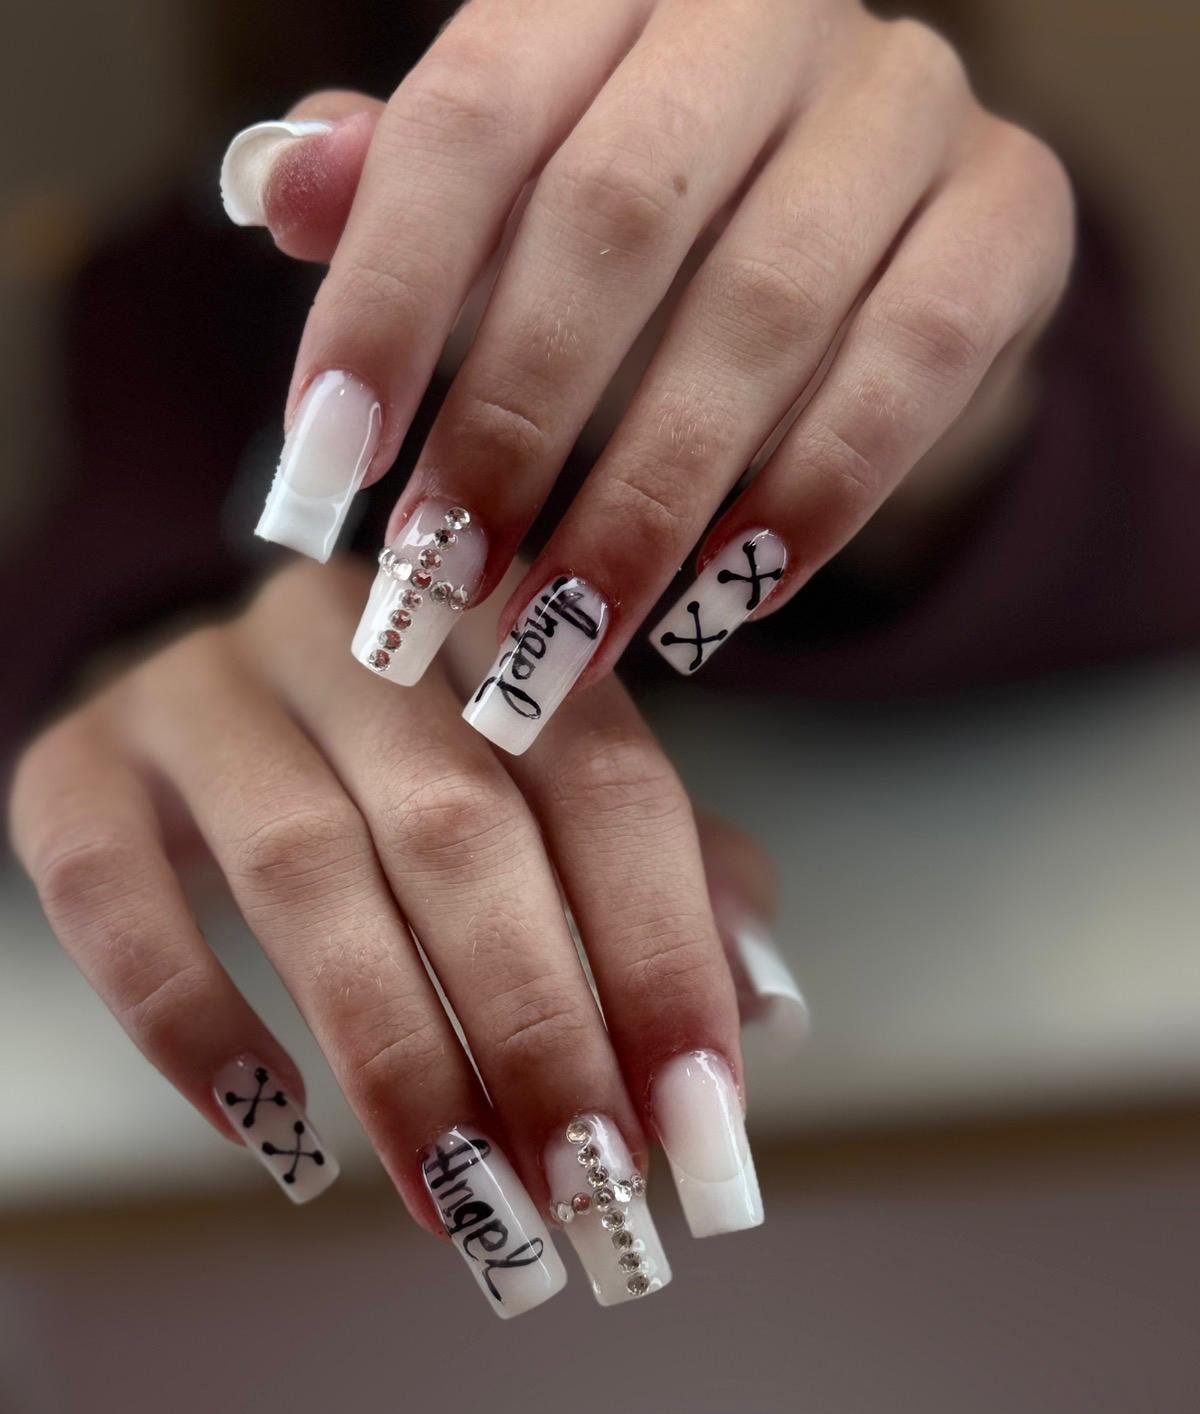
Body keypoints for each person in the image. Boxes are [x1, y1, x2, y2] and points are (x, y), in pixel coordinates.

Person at [5, 0, 1194, 1318]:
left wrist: (946, 451)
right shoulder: (181, 275)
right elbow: (111, 542)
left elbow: (1140, 539)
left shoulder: (956, 184)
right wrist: (153, 662)